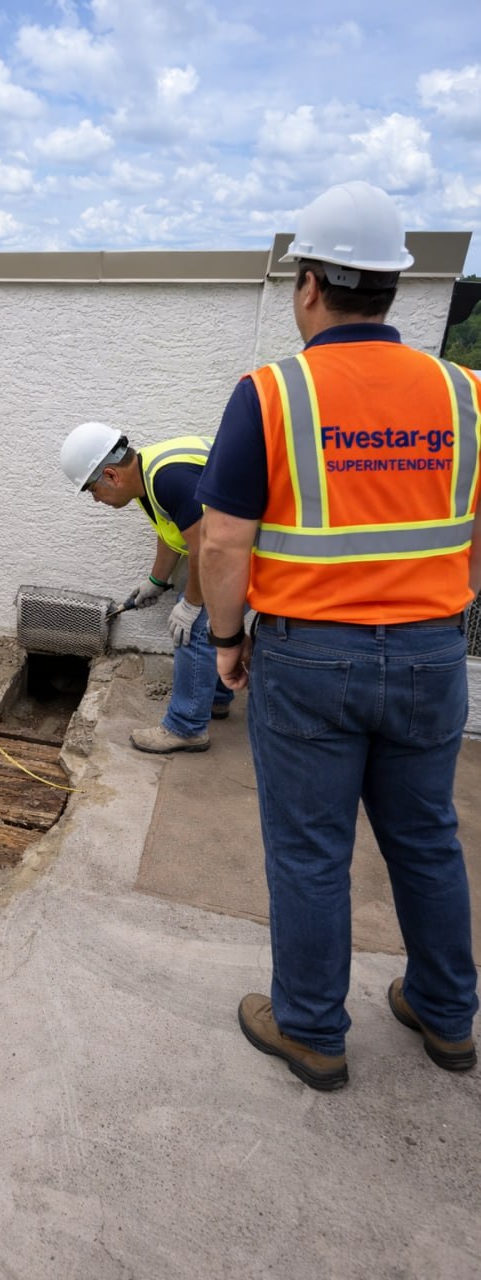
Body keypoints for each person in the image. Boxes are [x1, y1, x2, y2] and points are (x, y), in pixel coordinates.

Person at [197, 180, 480, 1090]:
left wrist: (226, 642)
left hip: (309, 655)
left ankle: (313, 1031)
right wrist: (443, 607)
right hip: (432, 649)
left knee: (311, 851)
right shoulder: (465, 392)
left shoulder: (272, 392)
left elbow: (223, 541)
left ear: (310, 284)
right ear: (391, 286)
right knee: (426, 839)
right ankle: (446, 1016)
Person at [60, 421, 232, 752]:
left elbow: (206, 549)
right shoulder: (147, 476)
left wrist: (191, 605)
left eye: (92, 490)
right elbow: (174, 530)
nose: (95, 500)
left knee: (194, 628)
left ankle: (186, 727)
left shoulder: (169, 479)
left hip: (261, 544)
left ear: (111, 475)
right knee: (204, 618)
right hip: (236, 542)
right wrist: (156, 581)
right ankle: (215, 697)